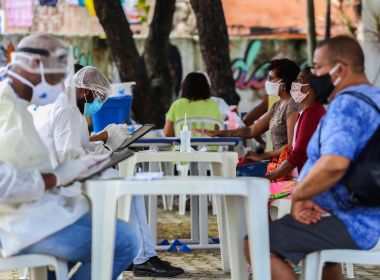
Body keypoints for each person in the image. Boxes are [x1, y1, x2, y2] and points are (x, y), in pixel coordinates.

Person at [0, 33, 138, 280]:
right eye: (55, 78)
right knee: (125, 240)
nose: (58, 86)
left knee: (73, 243)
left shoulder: (19, 106)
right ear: (33, 66)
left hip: (36, 213)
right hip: (21, 223)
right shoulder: (5, 109)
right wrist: (54, 179)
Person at [246, 35, 380, 280]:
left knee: (256, 243)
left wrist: (301, 194)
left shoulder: (347, 105)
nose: (314, 73)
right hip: (361, 214)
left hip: (349, 220)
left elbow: (334, 164)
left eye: (318, 67)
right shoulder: (374, 98)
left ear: (340, 69)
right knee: (325, 260)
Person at [32, 64, 184, 278]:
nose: (97, 104)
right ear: (85, 90)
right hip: (61, 186)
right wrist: (106, 148)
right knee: (128, 187)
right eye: (98, 97)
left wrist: (104, 139)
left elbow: (74, 147)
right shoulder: (68, 111)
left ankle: (136, 254)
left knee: (121, 182)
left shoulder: (57, 105)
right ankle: (144, 257)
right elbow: (69, 158)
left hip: (48, 182)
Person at [197, 59, 300, 177]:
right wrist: (219, 133)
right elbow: (251, 130)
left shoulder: (292, 105)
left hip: (287, 168)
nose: (267, 82)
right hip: (276, 164)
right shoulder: (277, 105)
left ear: (284, 81)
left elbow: (291, 147)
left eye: (271, 78)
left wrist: (262, 155)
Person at [265, 68, 326, 182]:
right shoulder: (307, 111)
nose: (295, 83)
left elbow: (299, 154)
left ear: (312, 87)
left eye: (300, 80)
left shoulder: (312, 113)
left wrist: (269, 177)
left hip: (307, 179)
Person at [164, 72, 223, 137]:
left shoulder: (177, 104)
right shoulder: (214, 104)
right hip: (209, 147)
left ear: (185, 87)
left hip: (184, 146)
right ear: (206, 87)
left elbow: (167, 133)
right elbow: (219, 131)